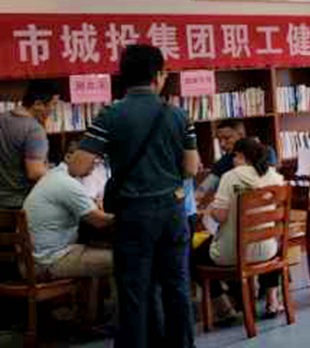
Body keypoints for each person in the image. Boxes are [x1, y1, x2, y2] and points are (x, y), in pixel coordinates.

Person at [69, 44, 199, 348]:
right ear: (159, 75)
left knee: (134, 292)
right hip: (173, 211)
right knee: (177, 286)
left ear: (124, 76)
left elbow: (78, 166)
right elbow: (191, 168)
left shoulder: (110, 114)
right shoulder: (179, 114)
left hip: (133, 215)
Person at [192, 137, 285, 322]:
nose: (232, 160)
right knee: (268, 237)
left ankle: (224, 309)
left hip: (233, 253)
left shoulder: (231, 176)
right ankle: (272, 301)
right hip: (268, 251)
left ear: (241, 156)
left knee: (191, 257)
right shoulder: (275, 176)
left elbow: (220, 216)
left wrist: (211, 209)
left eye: (234, 156)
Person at [23, 141, 114, 280]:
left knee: (111, 249)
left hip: (39, 257)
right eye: (90, 159)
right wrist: (128, 215)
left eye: (96, 160)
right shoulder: (66, 183)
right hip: (48, 262)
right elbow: (99, 221)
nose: (94, 164)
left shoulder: (56, 175)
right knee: (125, 258)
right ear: (69, 157)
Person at [0, 80, 59, 209]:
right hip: (20, 204)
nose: (53, 110)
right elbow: (35, 172)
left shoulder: (2, 118)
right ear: (37, 104)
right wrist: (58, 175)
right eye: (53, 105)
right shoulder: (34, 130)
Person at [195, 119, 246, 206]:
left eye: (227, 138)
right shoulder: (224, 160)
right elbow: (204, 187)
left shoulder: (264, 154)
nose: (222, 144)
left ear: (241, 135)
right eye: (219, 140)